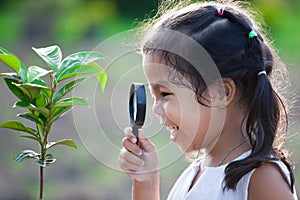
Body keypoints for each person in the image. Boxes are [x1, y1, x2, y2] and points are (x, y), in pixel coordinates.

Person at [118, 1, 298, 199]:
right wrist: (146, 182)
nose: (155, 109)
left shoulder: (261, 179)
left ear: (222, 92)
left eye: (165, 94)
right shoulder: (196, 172)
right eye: (154, 96)